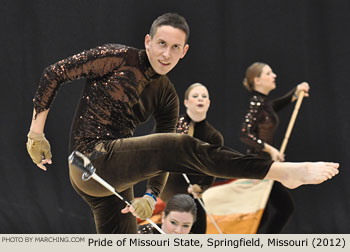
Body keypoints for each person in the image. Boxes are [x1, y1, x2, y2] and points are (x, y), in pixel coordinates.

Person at [26, 13, 339, 234]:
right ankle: (279, 172)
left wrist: (150, 197)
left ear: (184, 52)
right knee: (180, 144)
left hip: (113, 182)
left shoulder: (167, 96)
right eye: (161, 43)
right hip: (89, 159)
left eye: (175, 48)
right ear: (148, 41)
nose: (166, 54)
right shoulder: (118, 57)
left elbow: (161, 159)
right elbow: (55, 72)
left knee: (123, 241)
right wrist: (36, 133)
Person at [240, 62, 310, 233]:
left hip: (264, 165)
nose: (274, 76)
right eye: (268, 73)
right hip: (258, 166)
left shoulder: (263, 104)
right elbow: (245, 134)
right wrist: (270, 150)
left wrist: (296, 91)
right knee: (279, 210)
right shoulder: (256, 104)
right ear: (257, 80)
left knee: (266, 214)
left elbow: (277, 105)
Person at [160, 83, 223, 234]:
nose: (200, 99)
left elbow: (212, 169)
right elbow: (156, 151)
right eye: (195, 96)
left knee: (199, 232)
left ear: (208, 103)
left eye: (204, 96)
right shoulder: (173, 126)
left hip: (192, 192)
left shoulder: (214, 136)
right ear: (187, 102)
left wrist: (201, 187)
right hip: (169, 188)